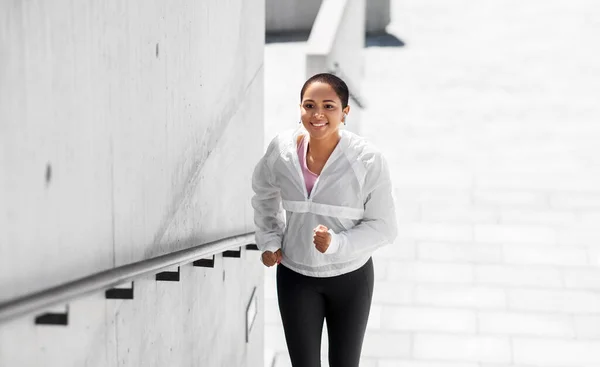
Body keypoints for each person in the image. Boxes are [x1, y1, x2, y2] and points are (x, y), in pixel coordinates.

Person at [251, 73, 398, 367]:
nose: (318, 114)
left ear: (345, 112)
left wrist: (336, 244)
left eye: (329, 106)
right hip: (296, 278)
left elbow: (384, 227)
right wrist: (269, 238)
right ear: (300, 108)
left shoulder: (367, 160)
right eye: (309, 105)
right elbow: (263, 192)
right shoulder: (282, 151)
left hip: (351, 280)